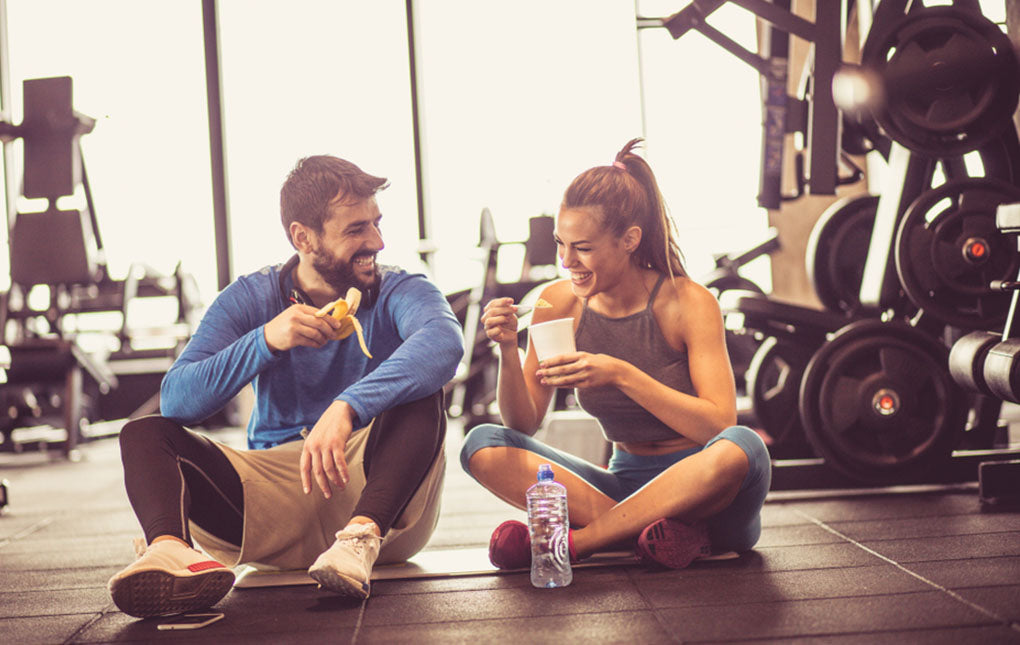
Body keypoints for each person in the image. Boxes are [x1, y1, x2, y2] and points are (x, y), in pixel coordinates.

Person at [107, 155, 463, 617]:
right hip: (273, 499)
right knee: (144, 433)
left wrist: (347, 406)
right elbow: (177, 399)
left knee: (421, 390)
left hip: (379, 504)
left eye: (376, 223)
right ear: (303, 237)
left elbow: (444, 343)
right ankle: (173, 552)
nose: (376, 241)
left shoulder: (399, 288)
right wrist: (266, 340)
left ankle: (357, 540)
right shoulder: (252, 296)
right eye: (356, 230)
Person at [461, 138, 771, 571]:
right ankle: (647, 534)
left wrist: (623, 375)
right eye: (560, 244)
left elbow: (718, 425)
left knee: (742, 445)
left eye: (583, 247)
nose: (567, 261)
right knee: (482, 444)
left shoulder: (688, 302)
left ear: (629, 240)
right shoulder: (557, 302)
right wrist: (509, 350)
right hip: (623, 485)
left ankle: (579, 543)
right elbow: (522, 423)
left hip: (709, 494)